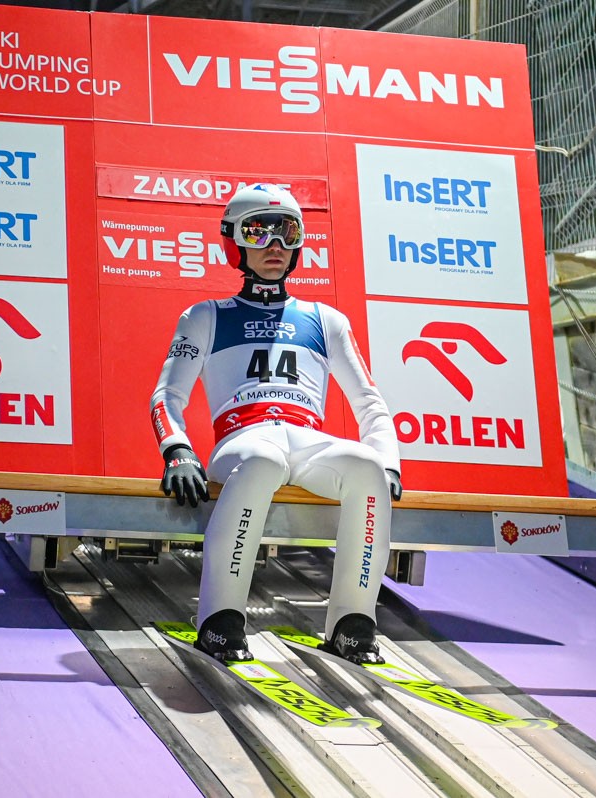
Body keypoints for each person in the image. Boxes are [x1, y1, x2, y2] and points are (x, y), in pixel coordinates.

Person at [150, 183, 403, 664]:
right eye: (258, 232)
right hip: (243, 441)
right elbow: (167, 395)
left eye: (288, 232)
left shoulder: (325, 320)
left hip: (306, 441)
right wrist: (177, 449)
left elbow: (370, 404)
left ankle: (353, 624)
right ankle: (219, 622)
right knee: (263, 461)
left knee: (367, 467)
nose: (275, 245)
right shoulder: (205, 316)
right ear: (234, 240)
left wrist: (388, 461)